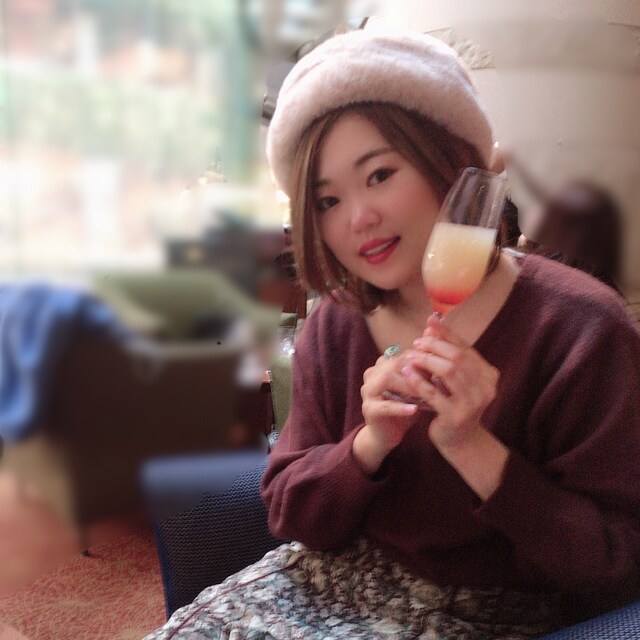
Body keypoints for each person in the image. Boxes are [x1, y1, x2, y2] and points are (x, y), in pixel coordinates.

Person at [145, 29, 640, 640]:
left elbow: (616, 564)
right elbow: (292, 513)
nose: (359, 218)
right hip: (326, 581)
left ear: (454, 165)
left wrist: (474, 448)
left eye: (379, 174)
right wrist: (368, 442)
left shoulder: (582, 329)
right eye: (326, 201)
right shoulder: (338, 322)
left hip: (492, 613)